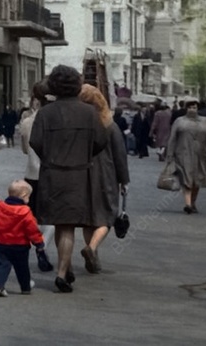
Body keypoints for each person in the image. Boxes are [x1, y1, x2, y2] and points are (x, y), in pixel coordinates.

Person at [29, 65, 109, 293]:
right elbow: (101, 142)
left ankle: (65, 267)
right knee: (68, 226)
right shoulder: (89, 113)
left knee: (60, 223)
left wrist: (50, 157)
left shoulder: (45, 113)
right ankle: (63, 272)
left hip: (52, 174)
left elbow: (35, 142)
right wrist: (84, 155)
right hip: (78, 174)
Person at [77, 84, 130, 274]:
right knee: (107, 215)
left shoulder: (78, 125)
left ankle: (93, 255)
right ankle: (91, 248)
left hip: (82, 175)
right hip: (106, 175)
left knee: (87, 218)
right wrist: (124, 180)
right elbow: (119, 155)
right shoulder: (110, 126)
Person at [0, 179, 45, 297]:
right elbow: (32, 230)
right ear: (24, 195)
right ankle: (25, 287)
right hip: (20, 245)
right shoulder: (25, 212)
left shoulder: (0, 206)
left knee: (2, 264)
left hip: (3, 243)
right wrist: (39, 243)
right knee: (22, 267)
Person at [19, 81, 54, 272]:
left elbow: (25, 149)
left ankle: (30, 243)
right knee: (52, 216)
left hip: (31, 174)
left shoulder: (27, 122)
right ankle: (43, 245)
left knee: (31, 215)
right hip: (52, 174)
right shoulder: (57, 118)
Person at [167, 99, 206, 214]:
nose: (192, 110)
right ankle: (188, 204)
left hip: (201, 154)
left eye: (194, 107)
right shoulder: (179, 121)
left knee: (197, 180)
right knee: (186, 179)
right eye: (190, 107)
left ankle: (193, 202)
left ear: (197, 109)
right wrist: (169, 154)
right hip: (183, 154)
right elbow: (172, 138)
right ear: (186, 109)